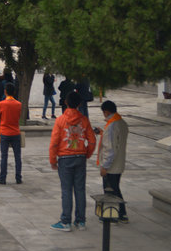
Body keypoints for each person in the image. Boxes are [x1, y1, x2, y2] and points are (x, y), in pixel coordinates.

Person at [49, 91, 97, 231]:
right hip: (80, 157)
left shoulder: (60, 120)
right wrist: (86, 154)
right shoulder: (84, 120)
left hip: (64, 158)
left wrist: (53, 160)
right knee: (80, 189)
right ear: (80, 104)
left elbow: (54, 143)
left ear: (65, 102)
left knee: (66, 190)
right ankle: (81, 221)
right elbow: (92, 141)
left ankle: (66, 222)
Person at [95, 100, 129, 223]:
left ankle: (113, 215)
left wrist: (105, 166)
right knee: (115, 189)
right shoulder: (121, 123)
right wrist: (102, 133)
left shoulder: (112, 125)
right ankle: (122, 214)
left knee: (110, 190)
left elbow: (110, 149)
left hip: (112, 166)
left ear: (106, 111)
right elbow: (115, 141)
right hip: (119, 163)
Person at [0, 82, 22, 185]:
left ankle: (3, 177)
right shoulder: (19, 104)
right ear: (14, 92)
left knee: (4, 156)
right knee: (17, 156)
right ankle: (18, 177)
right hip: (15, 132)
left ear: (5, 91)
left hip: (5, 132)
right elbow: (18, 117)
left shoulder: (2, 104)